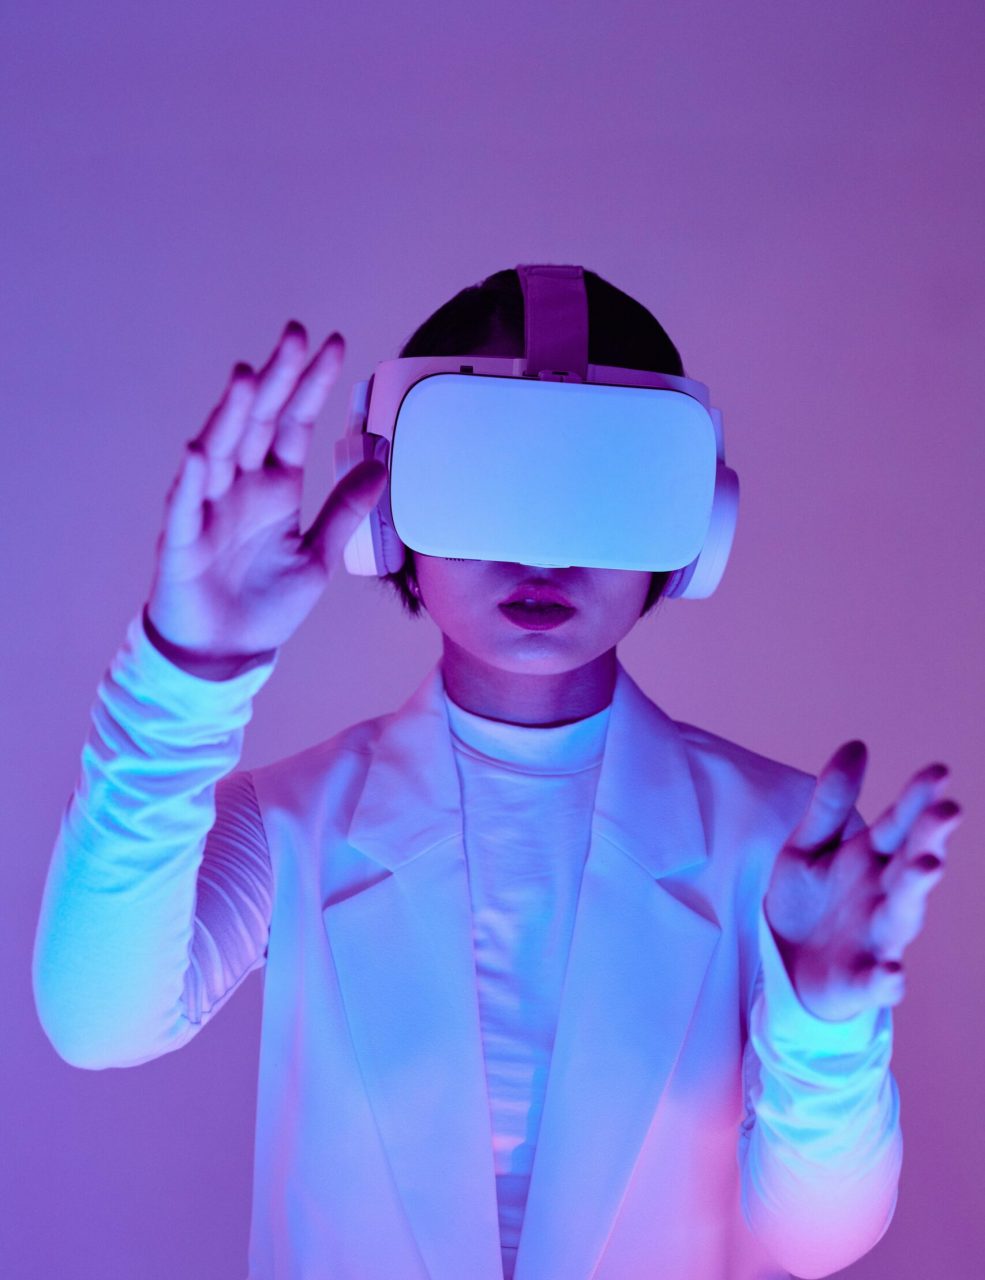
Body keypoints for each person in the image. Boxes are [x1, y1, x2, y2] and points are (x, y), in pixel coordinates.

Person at [33, 267, 962, 1280]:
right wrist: (183, 673)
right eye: (485, 476)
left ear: (691, 522)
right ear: (386, 512)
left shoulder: (788, 853)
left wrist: (825, 1033)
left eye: (600, 484)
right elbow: (96, 1019)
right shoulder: (288, 823)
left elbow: (816, 1238)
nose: (539, 546)